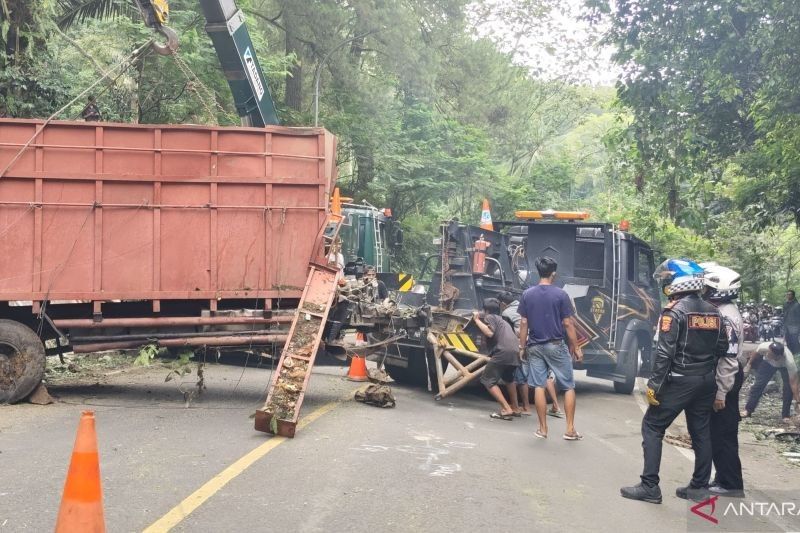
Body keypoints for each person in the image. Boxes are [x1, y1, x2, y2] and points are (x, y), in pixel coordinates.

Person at [621, 259, 728, 504]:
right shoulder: (714, 311)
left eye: (669, 278)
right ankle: (699, 487)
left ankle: (650, 486)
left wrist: (654, 386)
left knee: (652, 426)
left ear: (680, 281)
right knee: (700, 432)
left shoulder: (675, 312)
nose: (666, 282)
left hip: (679, 380)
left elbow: (665, 353)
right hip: (706, 381)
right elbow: (722, 346)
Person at [517, 256, 583, 441]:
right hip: (555, 345)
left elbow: (523, 322)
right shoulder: (561, 295)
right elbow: (568, 323)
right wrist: (576, 347)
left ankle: (543, 429)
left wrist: (522, 346)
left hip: (535, 346)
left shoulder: (527, 294)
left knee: (538, 386)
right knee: (568, 386)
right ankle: (569, 430)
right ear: (553, 273)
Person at [700, 262, 745, 498]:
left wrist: (721, 392)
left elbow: (728, 358)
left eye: (707, 288)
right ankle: (724, 477)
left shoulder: (726, 317)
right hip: (730, 375)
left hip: (727, 377)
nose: (703, 292)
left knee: (722, 432)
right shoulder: (727, 311)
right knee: (721, 430)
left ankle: (730, 483)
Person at [499, 291, 562, 417]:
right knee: (546, 376)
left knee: (521, 377)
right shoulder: (526, 307)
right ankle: (556, 406)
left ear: (502, 303)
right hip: (540, 342)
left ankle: (525, 407)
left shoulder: (506, 313)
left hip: (524, 345)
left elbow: (508, 332)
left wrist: (521, 346)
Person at [473, 298, 520, 420]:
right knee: (509, 380)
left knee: (487, 380)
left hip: (503, 351)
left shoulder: (490, 317)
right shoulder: (503, 321)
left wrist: (477, 320)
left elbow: (489, 333)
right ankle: (515, 407)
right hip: (514, 351)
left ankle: (506, 408)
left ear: (486, 310)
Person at [741, 341, 800, 423]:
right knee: (758, 385)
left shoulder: (789, 362)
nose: (767, 354)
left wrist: (798, 401)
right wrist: (749, 364)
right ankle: (748, 410)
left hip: (783, 367)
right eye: (768, 352)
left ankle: (785, 415)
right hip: (767, 363)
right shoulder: (764, 347)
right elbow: (756, 353)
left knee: (788, 389)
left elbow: (793, 383)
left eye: (770, 354)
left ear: (778, 356)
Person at [783, 290, 800, 354]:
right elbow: (784, 315)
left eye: (790, 294)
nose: (788, 295)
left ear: (793, 295)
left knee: (794, 342)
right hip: (786, 326)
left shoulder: (797, 305)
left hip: (794, 326)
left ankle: (797, 356)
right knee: (788, 342)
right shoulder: (785, 304)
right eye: (787, 294)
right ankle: (790, 355)